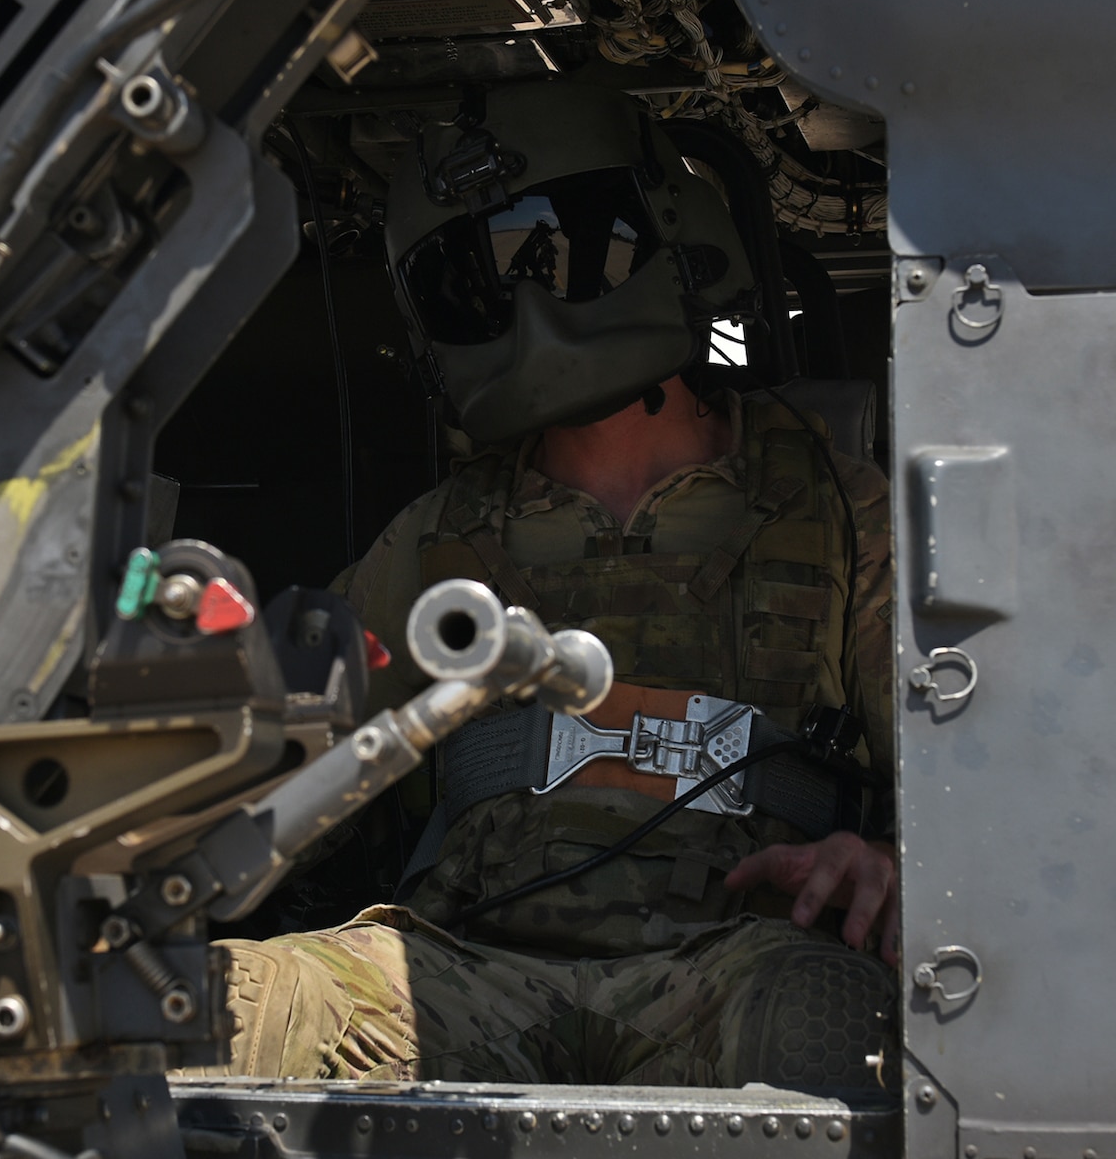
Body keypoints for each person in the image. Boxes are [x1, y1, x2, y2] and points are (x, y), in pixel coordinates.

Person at [210, 83, 897, 1089]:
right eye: (474, 279)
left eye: (576, 247)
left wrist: (895, 862)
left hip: (735, 961)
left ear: (672, 236)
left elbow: (981, 776)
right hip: (461, 964)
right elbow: (285, 771)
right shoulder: (434, 537)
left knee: (830, 1028)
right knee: (224, 1008)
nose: (530, 302)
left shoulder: (844, 512)